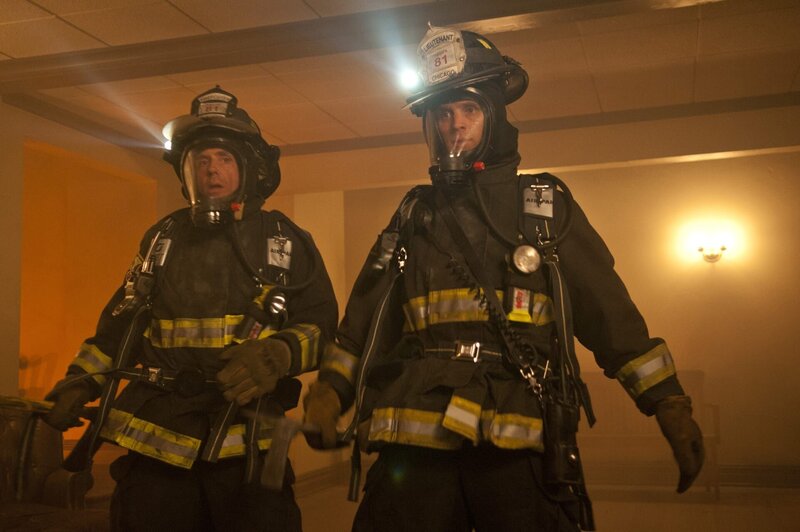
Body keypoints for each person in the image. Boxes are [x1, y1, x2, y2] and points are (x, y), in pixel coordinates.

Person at [303, 25, 704, 531]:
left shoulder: (544, 208)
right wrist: (330, 391)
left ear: (493, 116)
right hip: (415, 439)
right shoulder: (412, 215)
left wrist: (666, 401)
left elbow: (610, 314)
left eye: (468, 111)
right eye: (442, 114)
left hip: (515, 438)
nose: (454, 126)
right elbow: (363, 321)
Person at [43, 86, 338, 531]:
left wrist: (277, 354)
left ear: (246, 168)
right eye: (201, 161)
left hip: (246, 442)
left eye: (223, 159)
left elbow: (320, 326)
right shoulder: (163, 239)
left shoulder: (284, 239)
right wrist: (80, 382)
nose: (212, 171)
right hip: (157, 440)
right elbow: (120, 327)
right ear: (186, 172)